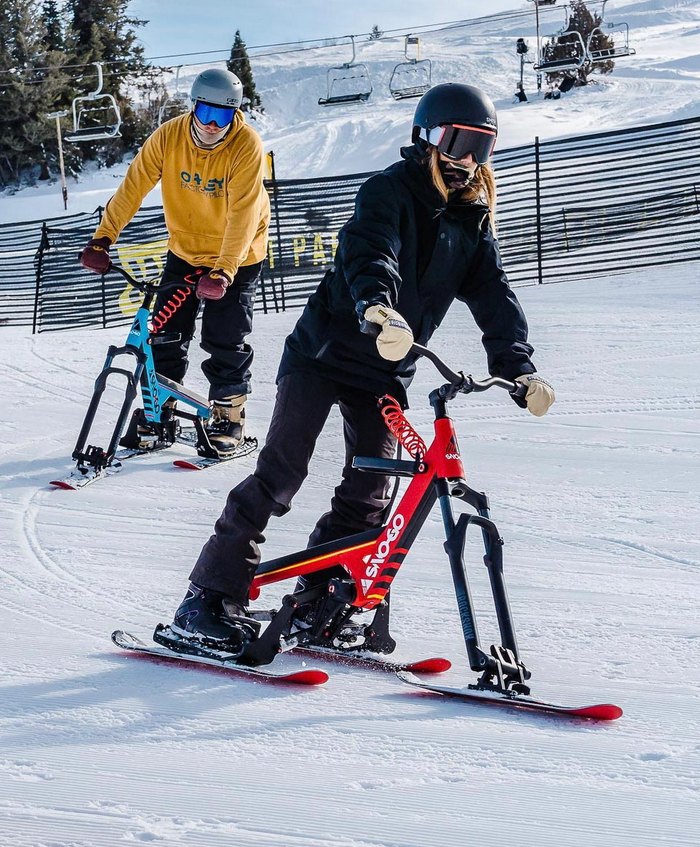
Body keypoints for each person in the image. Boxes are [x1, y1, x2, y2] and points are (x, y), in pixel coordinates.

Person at [168, 82, 556, 652]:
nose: (468, 161)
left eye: (482, 148)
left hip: (386, 371)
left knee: (369, 491)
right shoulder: (388, 192)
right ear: (427, 138)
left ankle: (318, 601)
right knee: (281, 474)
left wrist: (518, 366)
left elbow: (494, 295)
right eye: (458, 141)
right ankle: (206, 599)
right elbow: (371, 252)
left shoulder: (472, 223)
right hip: (324, 354)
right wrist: (377, 305)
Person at [79, 68, 270, 455]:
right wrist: (103, 238)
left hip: (238, 256)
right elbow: (133, 187)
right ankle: (157, 411)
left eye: (224, 116)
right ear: (194, 107)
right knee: (166, 333)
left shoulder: (246, 145)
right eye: (206, 114)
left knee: (224, 336)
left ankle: (228, 417)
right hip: (184, 250)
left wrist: (223, 271)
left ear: (235, 114)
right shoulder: (169, 136)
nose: (214, 125)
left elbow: (244, 216)